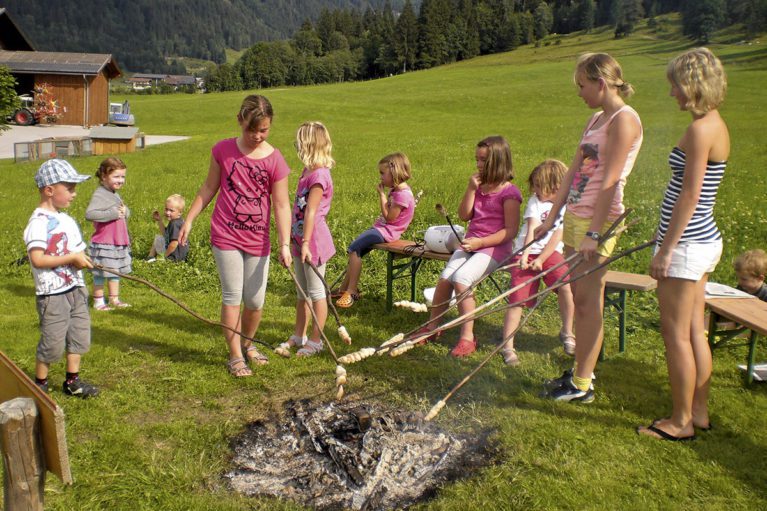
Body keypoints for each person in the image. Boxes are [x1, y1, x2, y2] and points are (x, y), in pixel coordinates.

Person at [535, 53, 643, 402]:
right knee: (579, 297)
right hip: (577, 216)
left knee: (588, 302)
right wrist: (552, 218)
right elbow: (572, 172)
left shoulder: (625, 120)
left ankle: (583, 383)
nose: (579, 92)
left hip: (601, 220)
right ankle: (581, 369)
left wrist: (595, 233)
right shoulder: (597, 118)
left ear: (600, 82)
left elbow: (610, 179)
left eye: (582, 85)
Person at [637, 48, 729, 441]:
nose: (672, 92)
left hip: (687, 245)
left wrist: (665, 248)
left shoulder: (699, 130)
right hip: (704, 239)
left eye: (675, 84)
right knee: (695, 332)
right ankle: (699, 412)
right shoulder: (716, 124)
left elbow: (690, 195)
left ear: (692, 84)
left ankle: (680, 422)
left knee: (676, 334)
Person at [178, 95, 292, 377]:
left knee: (255, 301)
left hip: (258, 239)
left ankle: (248, 344)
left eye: (263, 130)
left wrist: (285, 244)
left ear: (270, 125)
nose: (256, 136)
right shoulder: (223, 151)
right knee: (232, 296)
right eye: (251, 130)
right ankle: (235, 355)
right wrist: (189, 219)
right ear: (240, 121)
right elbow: (208, 187)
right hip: (226, 234)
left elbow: (281, 204)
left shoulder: (275, 160)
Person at [421, 136, 521, 357]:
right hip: (471, 244)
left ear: (498, 161)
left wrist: (481, 242)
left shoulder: (509, 193)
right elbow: (464, 215)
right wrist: (470, 189)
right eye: (477, 159)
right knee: (446, 277)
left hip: (496, 248)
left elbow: (510, 231)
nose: (478, 165)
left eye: (483, 160)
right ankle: (432, 327)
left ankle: (467, 337)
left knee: (462, 278)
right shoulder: (479, 188)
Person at [23, 159, 99, 397]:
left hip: (75, 288)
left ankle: (72, 382)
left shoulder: (66, 220)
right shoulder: (38, 223)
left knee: (79, 335)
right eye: (70, 188)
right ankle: (40, 385)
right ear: (49, 190)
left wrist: (83, 259)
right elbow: (38, 259)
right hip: (52, 294)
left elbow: (76, 252)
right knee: (52, 342)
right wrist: (71, 258)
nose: (74, 194)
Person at [501, 159, 575, 366]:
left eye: (537, 185)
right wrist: (524, 256)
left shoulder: (567, 205)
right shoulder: (536, 201)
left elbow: (557, 235)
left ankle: (567, 332)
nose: (534, 189)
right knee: (517, 298)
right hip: (527, 250)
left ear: (555, 186)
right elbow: (532, 229)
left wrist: (542, 260)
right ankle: (507, 345)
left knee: (566, 287)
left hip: (550, 253)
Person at [277, 122, 335, 357]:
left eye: (299, 142)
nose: (296, 146)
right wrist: (293, 241)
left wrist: (306, 244)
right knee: (302, 293)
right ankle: (298, 335)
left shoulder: (320, 175)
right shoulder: (307, 171)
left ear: (310, 145)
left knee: (317, 294)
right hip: (300, 240)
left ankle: (315, 340)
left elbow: (311, 211)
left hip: (314, 243)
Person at [334, 152, 415, 308]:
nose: (381, 177)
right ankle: (344, 289)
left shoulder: (403, 195)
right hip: (383, 229)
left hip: (387, 232)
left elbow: (390, 217)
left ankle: (351, 291)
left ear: (394, 172)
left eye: (382, 173)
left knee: (354, 248)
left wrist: (381, 195)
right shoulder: (398, 191)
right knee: (356, 251)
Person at [85, 157, 132, 311]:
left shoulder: (114, 193)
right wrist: (112, 213)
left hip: (116, 241)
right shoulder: (100, 193)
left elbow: (121, 211)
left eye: (123, 176)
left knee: (114, 271)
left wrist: (126, 212)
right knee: (100, 272)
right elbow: (90, 214)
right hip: (104, 242)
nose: (121, 180)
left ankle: (114, 299)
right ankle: (99, 301)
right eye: (116, 176)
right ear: (104, 176)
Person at [148, 194, 189, 262]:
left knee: (158, 239)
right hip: (179, 256)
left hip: (174, 257)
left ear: (180, 213)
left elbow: (174, 244)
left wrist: (163, 256)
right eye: (166, 209)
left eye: (171, 210)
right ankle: (150, 258)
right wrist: (160, 220)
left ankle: (151, 258)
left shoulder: (174, 224)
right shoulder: (178, 221)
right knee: (159, 238)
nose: (167, 212)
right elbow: (165, 234)